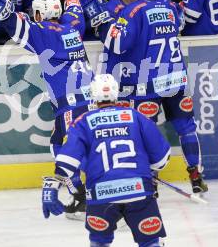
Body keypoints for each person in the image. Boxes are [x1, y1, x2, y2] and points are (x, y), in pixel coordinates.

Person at [0, 0, 95, 218]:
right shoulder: (73, 27)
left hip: (71, 103)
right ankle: (86, 194)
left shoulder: (44, 34)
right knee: (62, 144)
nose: (35, 16)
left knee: (65, 149)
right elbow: (75, 6)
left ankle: (87, 197)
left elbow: (14, 24)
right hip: (90, 99)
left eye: (36, 13)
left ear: (41, 14)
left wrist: (1, 9)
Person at [87, 0, 208, 194]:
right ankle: (196, 175)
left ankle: (150, 180)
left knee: (146, 129)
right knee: (187, 128)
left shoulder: (131, 11)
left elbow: (119, 44)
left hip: (148, 82)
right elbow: (179, 24)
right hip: (176, 80)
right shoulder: (172, 7)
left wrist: (103, 24)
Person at [42, 73, 171, 247]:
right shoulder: (136, 116)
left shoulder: (83, 122)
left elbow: (66, 162)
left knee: (99, 243)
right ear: (116, 93)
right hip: (139, 191)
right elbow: (162, 159)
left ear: (93, 95)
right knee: (150, 242)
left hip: (101, 195)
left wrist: (52, 186)